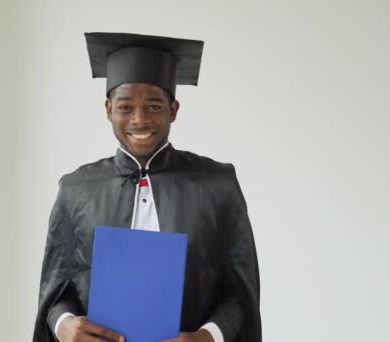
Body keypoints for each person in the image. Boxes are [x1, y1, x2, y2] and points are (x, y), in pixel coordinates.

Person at [33, 32, 261, 342]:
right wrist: (64, 324)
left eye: (153, 106)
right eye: (125, 107)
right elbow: (56, 290)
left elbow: (239, 293)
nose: (139, 120)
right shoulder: (76, 190)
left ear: (174, 109)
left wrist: (208, 337)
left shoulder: (217, 185)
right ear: (108, 109)